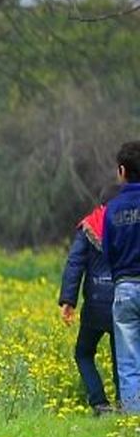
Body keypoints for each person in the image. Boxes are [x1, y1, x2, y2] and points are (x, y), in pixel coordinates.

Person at [60, 184, 121, 415]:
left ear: (101, 203)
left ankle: (99, 402)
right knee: (121, 357)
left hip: (95, 304)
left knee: (84, 353)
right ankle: (126, 404)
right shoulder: (128, 226)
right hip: (122, 300)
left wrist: (68, 300)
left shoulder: (89, 226)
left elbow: (74, 264)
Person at [104, 141, 140, 413]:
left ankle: (133, 422)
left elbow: (108, 251)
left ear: (122, 170)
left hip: (125, 287)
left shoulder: (113, 209)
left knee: (128, 362)